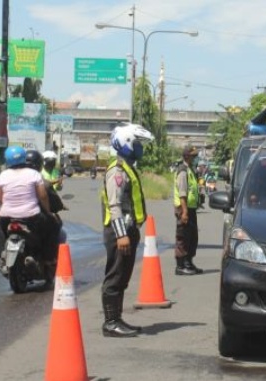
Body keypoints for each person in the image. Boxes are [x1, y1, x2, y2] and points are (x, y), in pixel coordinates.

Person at [100, 123, 154, 338]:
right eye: (138, 144)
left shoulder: (128, 167)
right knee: (115, 276)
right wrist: (122, 234)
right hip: (118, 232)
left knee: (123, 276)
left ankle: (117, 318)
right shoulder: (117, 170)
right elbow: (115, 206)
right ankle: (110, 322)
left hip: (128, 231)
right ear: (127, 143)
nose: (141, 148)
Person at [0, 146, 59, 263]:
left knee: (0, 230)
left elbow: (0, 196)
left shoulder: (2, 175)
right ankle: (49, 258)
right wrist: (49, 213)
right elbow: (43, 196)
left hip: (6, 217)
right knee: (53, 226)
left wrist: (7, 207)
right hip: (31, 217)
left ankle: (2, 255)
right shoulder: (34, 174)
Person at [174, 144, 203, 276]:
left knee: (192, 237)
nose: (195, 158)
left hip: (191, 209)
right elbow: (182, 194)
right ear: (187, 156)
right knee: (183, 237)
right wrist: (184, 212)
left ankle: (189, 262)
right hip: (183, 209)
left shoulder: (190, 170)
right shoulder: (183, 171)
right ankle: (181, 265)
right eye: (193, 156)